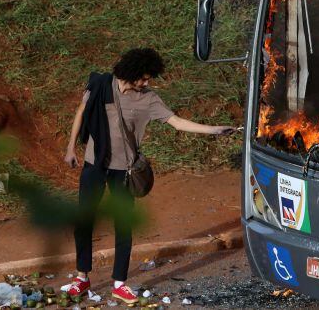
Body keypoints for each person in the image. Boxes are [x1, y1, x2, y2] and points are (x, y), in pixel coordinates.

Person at [63, 48, 234, 303]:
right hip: (94, 164)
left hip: (124, 170)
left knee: (123, 227)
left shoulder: (149, 99)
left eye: (148, 79)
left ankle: (119, 283)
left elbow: (176, 122)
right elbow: (81, 112)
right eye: (143, 78)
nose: (146, 83)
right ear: (130, 73)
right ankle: (82, 277)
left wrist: (215, 130)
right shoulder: (100, 85)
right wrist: (70, 148)